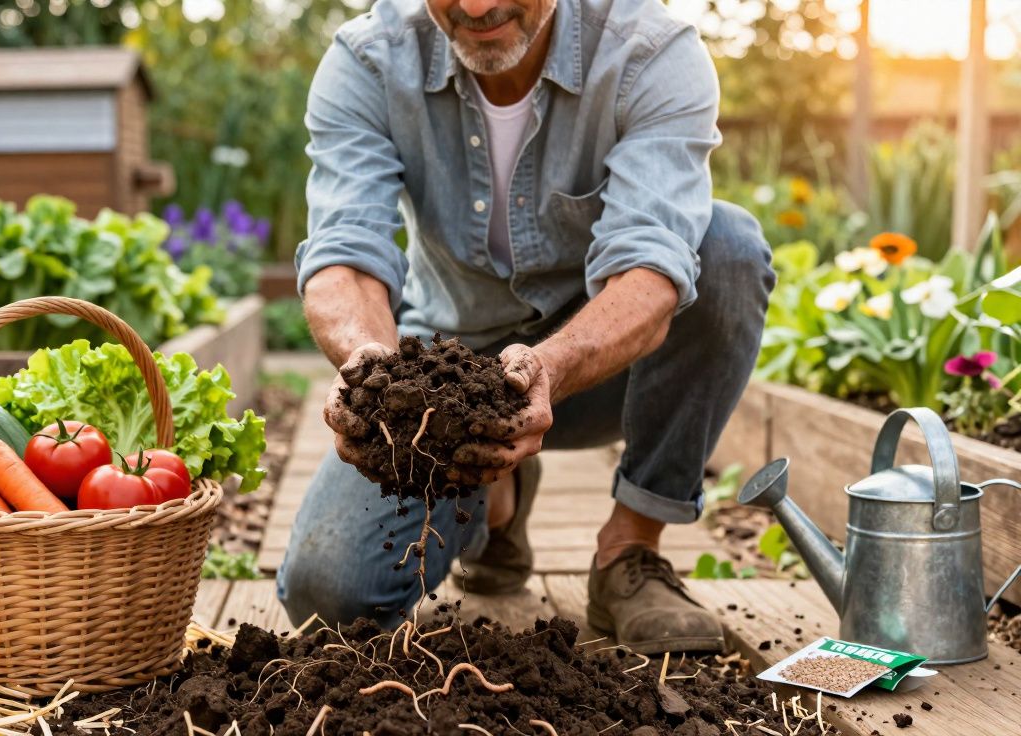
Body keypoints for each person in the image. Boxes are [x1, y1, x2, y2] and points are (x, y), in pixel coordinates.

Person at [276, 0, 775, 655]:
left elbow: (652, 270)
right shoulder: (369, 60)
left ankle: (630, 549)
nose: (477, 7)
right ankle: (497, 502)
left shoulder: (648, 51)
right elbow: (344, 252)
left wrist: (552, 366)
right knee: (328, 594)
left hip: (607, 366)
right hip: (449, 382)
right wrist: (374, 372)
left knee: (728, 247)